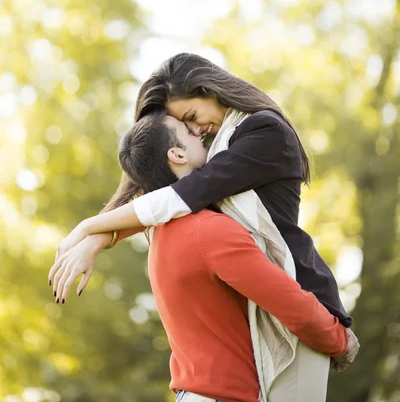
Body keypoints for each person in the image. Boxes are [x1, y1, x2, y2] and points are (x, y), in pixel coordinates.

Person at [49, 110, 358, 402]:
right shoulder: (211, 232)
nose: (201, 134)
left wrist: (98, 237)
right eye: (188, 129)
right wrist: (339, 340)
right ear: (178, 154)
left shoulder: (160, 235)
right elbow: (290, 302)